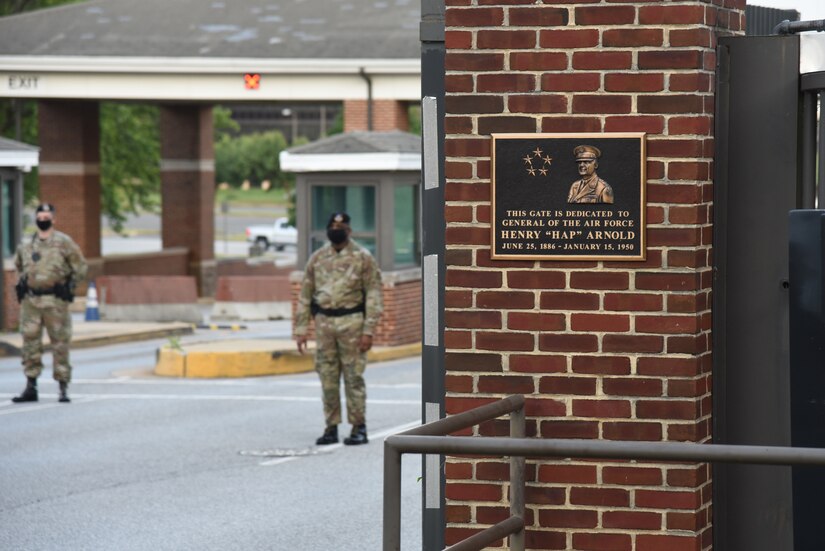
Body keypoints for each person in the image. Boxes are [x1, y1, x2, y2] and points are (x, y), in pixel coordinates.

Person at [294, 212, 383, 446]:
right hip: (324, 325)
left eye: (341, 226)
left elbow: (373, 293)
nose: (336, 229)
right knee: (327, 377)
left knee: (353, 377)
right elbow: (305, 294)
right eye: (332, 225)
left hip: (352, 323)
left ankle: (358, 427)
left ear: (349, 230)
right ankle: (330, 427)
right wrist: (301, 329)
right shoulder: (317, 258)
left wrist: (369, 330)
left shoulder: (363, 258)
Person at [11, 203, 87, 404]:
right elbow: (18, 267)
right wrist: (22, 285)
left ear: (54, 219)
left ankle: (63, 387)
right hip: (31, 302)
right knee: (30, 344)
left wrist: (69, 286)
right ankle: (31, 386)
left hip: (55, 302)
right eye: (40, 216)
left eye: (46, 217)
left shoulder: (64, 243)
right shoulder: (26, 246)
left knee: (60, 344)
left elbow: (80, 267)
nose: (42, 220)